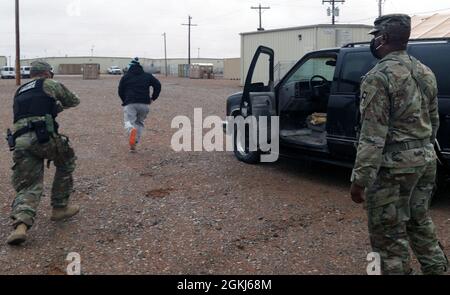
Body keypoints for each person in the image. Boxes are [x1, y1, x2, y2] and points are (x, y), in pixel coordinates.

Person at [350, 14, 449, 275]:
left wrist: (360, 179)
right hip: (425, 161)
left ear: (382, 38)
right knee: (419, 222)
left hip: (394, 170)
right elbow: (434, 120)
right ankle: (438, 270)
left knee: (389, 237)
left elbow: (373, 134)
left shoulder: (378, 76)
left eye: (376, 37)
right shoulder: (424, 71)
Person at [6, 61, 81, 246]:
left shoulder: (20, 90)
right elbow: (73, 100)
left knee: (29, 184)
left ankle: (21, 226)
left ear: (31, 73)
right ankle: (59, 207)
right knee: (66, 161)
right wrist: (57, 105)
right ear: (47, 73)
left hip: (20, 141)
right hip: (43, 138)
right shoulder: (49, 84)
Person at [118, 57, 161, 152]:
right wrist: (153, 97)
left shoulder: (125, 77)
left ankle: (131, 131)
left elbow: (120, 90)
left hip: (130, 103)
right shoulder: (147, 75)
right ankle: (135, 142)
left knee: (129, 122)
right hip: (144, 103)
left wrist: (125, 100)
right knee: (139, 123)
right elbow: (158, 85)